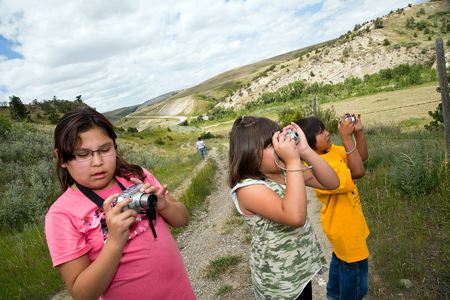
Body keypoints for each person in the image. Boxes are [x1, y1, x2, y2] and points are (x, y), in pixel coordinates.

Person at [45, 106, 196, 300]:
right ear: (61, 158)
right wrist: (115, 240)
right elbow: (82, 294)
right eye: (83, 154)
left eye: (105, 149)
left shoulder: (136, 177)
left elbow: (183, 219)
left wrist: (164, 205)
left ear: (115, 146)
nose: (97, 162)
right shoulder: (61, 215)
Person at [228, 116, 339, 300]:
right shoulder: (248, 189)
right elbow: (295, 217)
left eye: (279, 138)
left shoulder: (288, 173)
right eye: (272, 144)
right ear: (251, 153)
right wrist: (293, 161)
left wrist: (305, 151)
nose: (281, 147)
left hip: (301, 270)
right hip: (279, 282)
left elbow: (331, 182)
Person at [295, 114, 369, 300]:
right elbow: (358, 171)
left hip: (347, 226)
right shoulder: (316, 166)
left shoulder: (329, 152)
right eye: (321, 132)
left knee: (339, 273)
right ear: (307, 142)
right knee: (356, 288)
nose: (328, 133)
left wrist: (357, 134)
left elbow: (360, 158)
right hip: (346, 229)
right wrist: (345, 137)